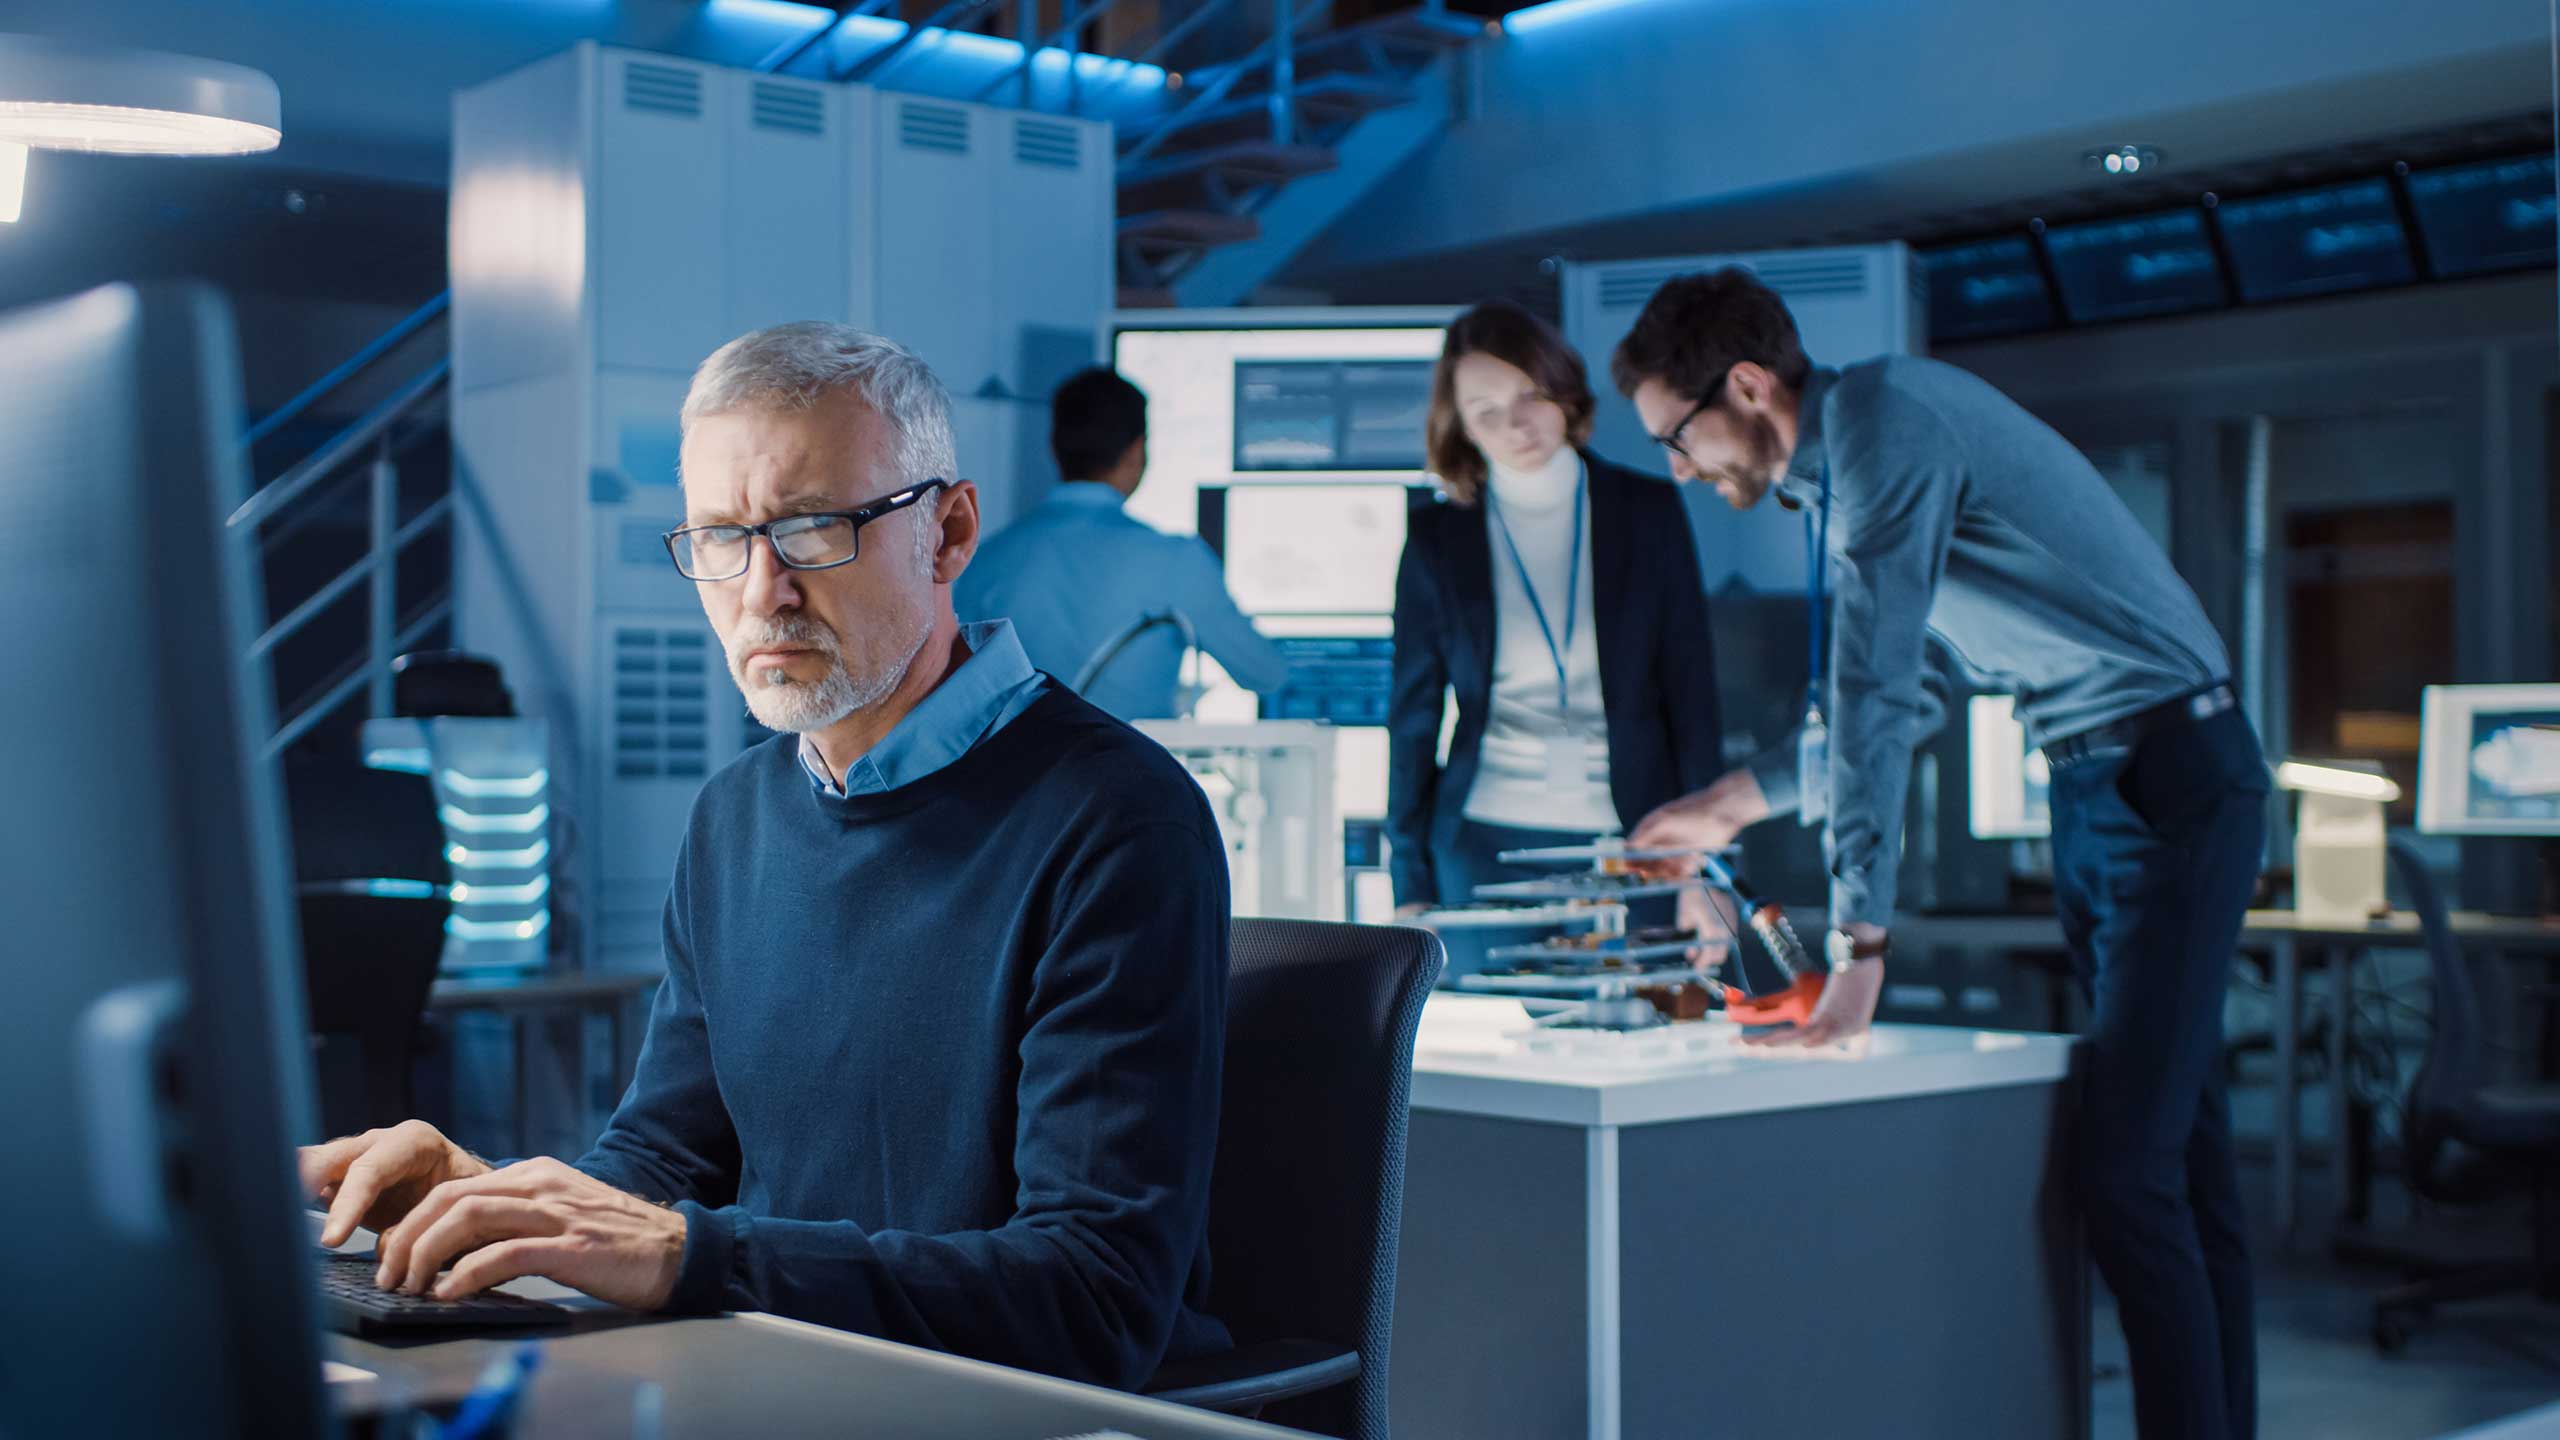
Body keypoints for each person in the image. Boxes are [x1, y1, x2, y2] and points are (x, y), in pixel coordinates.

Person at [300, 324, 1234, 1391]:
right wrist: (499, 1201)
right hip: (774, 1389)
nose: (762, 592)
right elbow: (661, 1165)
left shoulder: (1117, 820)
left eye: (814, 528)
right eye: (721, 538)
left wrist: (692, 1256)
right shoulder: (735, 817)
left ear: (950, 530)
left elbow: (1094, 1296)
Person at [1615, 269, 2264, 1440]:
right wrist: (1729, 804)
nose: (1679, 468)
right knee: (2182, 1165)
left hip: (2170, 777)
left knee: (2127, 1178)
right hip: (2097, 778)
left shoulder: (1882, 425)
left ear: (1747, 385)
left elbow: (1868, 699)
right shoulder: (1849, 471)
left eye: (1675, 435)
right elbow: (1908, 695)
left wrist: (1859, 941)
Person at [1385, 301, 1728, 981]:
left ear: (1565, 393)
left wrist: (1708, 870)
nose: (1514, 424)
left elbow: (1693, 697)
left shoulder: (1648, 512)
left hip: (1638, 840)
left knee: (1638, 1053)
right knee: (1496, 1070)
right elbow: (1412, 719)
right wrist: (1409, 885)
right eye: (1484, 410)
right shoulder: (1436, 537)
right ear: (1461, 428)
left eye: (1530, 396)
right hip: (1483, 846)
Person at [957, 366, 1290, 720]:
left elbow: (959, 691)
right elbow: (1266, 674)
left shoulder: (986, 558)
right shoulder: (1176, 560)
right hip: (1132, 772)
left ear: (1054, 448)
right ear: (1137, 451)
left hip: (1014, 773)